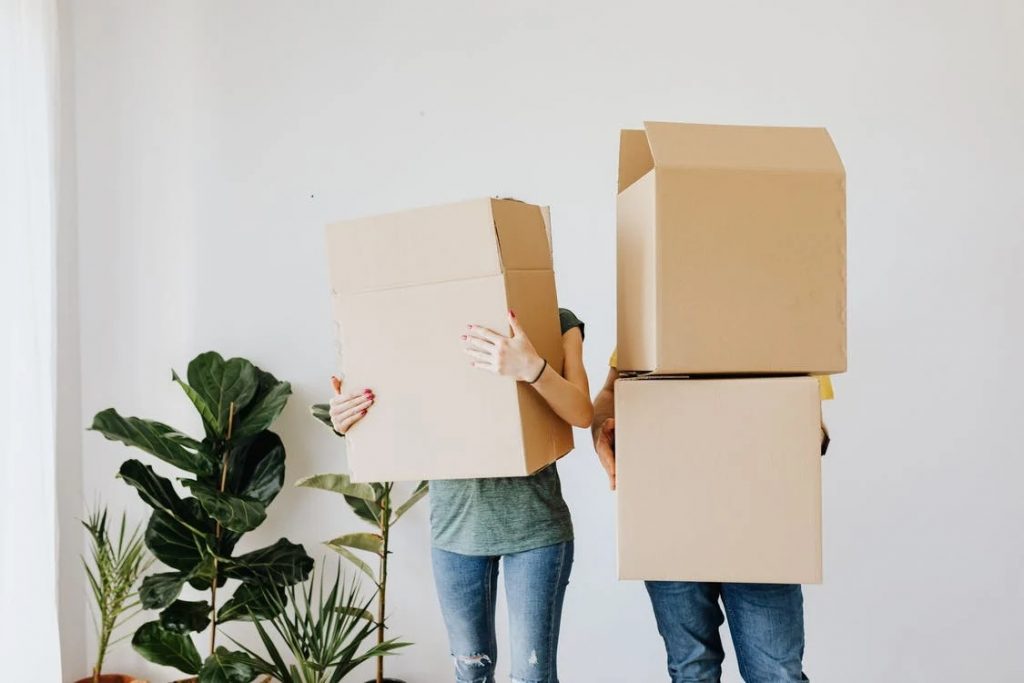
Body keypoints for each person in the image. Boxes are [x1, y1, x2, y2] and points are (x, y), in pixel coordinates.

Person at [328, 308, 592, 683]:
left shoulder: (556, 320)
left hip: (536, 530)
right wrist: (348, 419)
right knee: (471, 674)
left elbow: (582, 413)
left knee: (533, 677)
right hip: (456, 532)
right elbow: (392, 409)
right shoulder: (419, 320)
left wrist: (532, 368)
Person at [591, 349, 831, 683]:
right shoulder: (654, 306)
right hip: (668, 514)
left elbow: (806, 408)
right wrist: (601, 431)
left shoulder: (781, 315)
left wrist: (798, 440)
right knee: (692, 670)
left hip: (760, 520)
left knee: (777, 673)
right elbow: (610, 393)